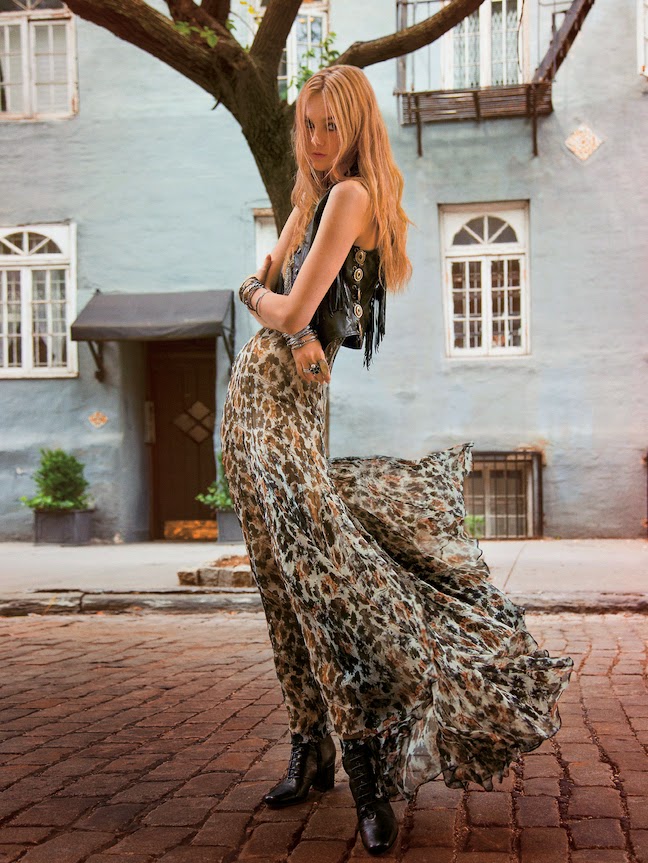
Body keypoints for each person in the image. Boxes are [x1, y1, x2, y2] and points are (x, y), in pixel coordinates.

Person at [220, 65, 573, 857]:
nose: (316, 141)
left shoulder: (351, 198)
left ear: (357, 127)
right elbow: (286, 294)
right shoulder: (316, 196)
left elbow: (281, 299)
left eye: (330, 126)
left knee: (328, 592)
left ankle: (365, 770)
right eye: (307, 125)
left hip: (288, 410)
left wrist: (258, 299)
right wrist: (284, 312)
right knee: (280, 589)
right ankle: (309, 750)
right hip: (254, 403)